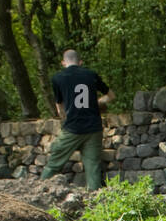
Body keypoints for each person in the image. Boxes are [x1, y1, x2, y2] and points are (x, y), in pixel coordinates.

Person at [41, 49, 114, 190]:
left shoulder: (57, 78)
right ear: (80, 62)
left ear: (63, 63)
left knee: (54, 163)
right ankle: (95, 204)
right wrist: (96, 102)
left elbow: (59, 108)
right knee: (93, 169)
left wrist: (66, 117)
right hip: (94, 128)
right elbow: (111, 96)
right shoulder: (91, 75)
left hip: (72, 128)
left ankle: (39, 191)